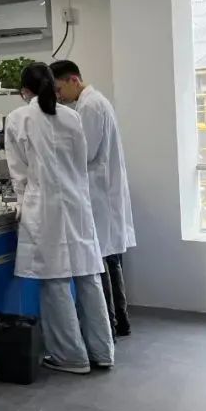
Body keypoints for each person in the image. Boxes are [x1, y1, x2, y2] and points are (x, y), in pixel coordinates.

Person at [5, 62, 114, 374]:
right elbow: (81, 163)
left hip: (45, 207)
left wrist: (21, 200)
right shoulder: (71, 116)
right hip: (76, 203)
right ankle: (102, 351)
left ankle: (70, 356)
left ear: (24, 91)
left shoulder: (19, 118)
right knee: (88, 277)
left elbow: (19, 172)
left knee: (55, 282)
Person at [51, 60, 136, 337]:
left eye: (59, 88)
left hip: (99, 193)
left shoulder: (89, 106)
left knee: (102, 262)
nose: (58, 96)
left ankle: (109, 324)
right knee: (111, 259)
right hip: (104, 192)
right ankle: (120, 320)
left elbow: (85, 153)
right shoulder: (94, 102)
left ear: (74, 80)